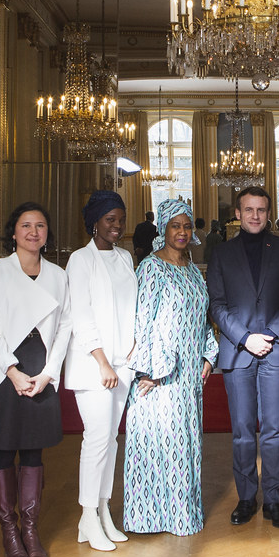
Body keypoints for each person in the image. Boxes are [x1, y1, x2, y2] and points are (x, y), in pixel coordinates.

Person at [0, 202, 72, 557]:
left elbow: (65, 327)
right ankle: (9, 532)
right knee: (3, 448)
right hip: (4, 368)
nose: (33, 232)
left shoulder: (58, 276)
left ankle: (31, 530)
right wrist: (12, 371)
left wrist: (48, 373)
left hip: (40, 365)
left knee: (33, 450)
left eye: (40, 226)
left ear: (47, 234)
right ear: (13, 232)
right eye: (26, 225)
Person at [208, 186, 279, 530]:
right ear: (237, 213)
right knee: (243, 431)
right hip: (237, 352)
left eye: (261, 210)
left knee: (274, 431)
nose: (255, 216)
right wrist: (246, 338)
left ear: (267, 213)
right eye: (249, 210)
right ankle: (247, 497)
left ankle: (274, 501)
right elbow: (216, 304)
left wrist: (271, 334)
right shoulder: (221, 253)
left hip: (276, 351)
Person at [124, 199, 218, 535]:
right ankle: (154, 517)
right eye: (175, 225)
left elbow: (203, 319)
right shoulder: (150, 266)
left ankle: (184, 515)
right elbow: (142, 321)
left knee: (187, 445)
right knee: (164, 445)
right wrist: (148, 370)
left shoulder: (193, 268)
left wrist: (209, 355)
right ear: (163, 228)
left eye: (187, 225)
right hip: (161, 375)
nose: (182, 232)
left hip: (191, 373)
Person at [65, 191, 136, 552]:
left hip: (124, 364)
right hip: (95, 365)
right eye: (110, 219)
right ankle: (88, 514)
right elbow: (81, 315)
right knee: (95, 440)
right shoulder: (80, 260)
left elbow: (131, 308)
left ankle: (103, 512)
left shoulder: (125, 258)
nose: (117, 226)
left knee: (110, 440)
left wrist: (133, 348)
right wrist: (103, 361)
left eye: (121, 219)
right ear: (95, 222)